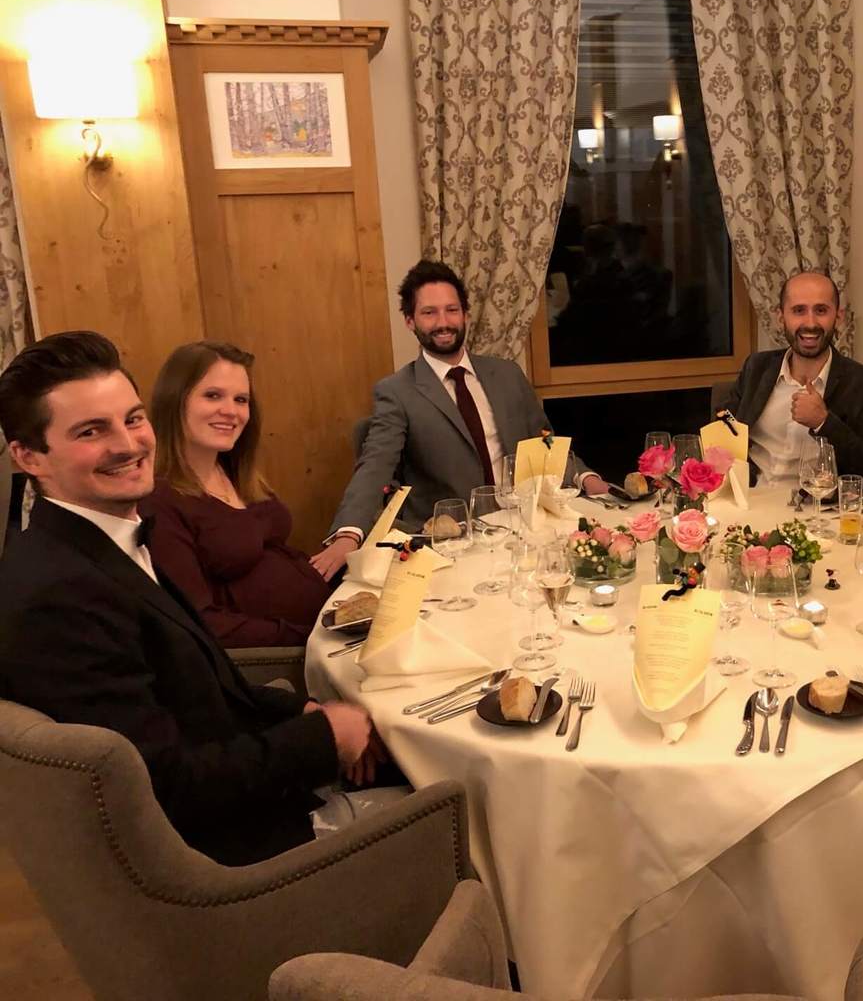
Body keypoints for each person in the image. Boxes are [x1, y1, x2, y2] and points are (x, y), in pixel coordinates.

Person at [0, 331, 382, 867]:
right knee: (462, 797)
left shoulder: (110, 539)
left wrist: (300, 708)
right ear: (28, 457)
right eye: (91, 431)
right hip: (240, 861)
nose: (128, 445)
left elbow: (202, 686)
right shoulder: (58, 596)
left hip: (253, 792)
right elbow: (169, 787)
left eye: (133, 419)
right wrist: (321, 739)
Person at [314, 259, 607, 580]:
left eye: (451, 310)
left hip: (522, 528)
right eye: (429, 312)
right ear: (410, 321)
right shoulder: (396, 392)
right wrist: (348, 534)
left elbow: (544, 440)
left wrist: (585, 477)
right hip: (451, 545)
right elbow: (374, 465)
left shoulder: (507, 374)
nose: (443, 322)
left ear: (466, 314)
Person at [141, 340, 330, 649]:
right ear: (174, 400)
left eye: (241, 399)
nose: (231, 411)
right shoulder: (159, 501)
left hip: (324, 623)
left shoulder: (235, 472)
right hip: (281, 656)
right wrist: (313, 637)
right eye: (213, 395)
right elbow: (201, 622)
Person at [719, 270, 863, 484]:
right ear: (781, 317)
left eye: (821, 310)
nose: (810, 323)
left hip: (817, 503)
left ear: (838, 317)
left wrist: (823, 422)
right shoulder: (757, 367)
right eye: (798, 310)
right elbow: (721, 430)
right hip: (750, 497)